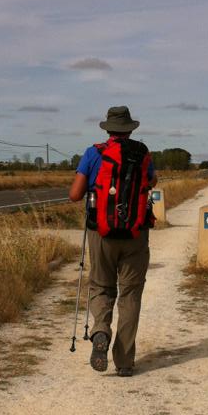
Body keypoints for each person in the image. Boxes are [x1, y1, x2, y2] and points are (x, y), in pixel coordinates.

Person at [69, 106, 157, 377]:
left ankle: (100, 331)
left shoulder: (93, 153)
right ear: (130, 129)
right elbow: (151, 181)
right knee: (130, 295)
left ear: (107, 129)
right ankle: (125, 362)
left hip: (101, 233)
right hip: (135, 234)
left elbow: (75, 195)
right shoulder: (143, 153)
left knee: (101, 286)